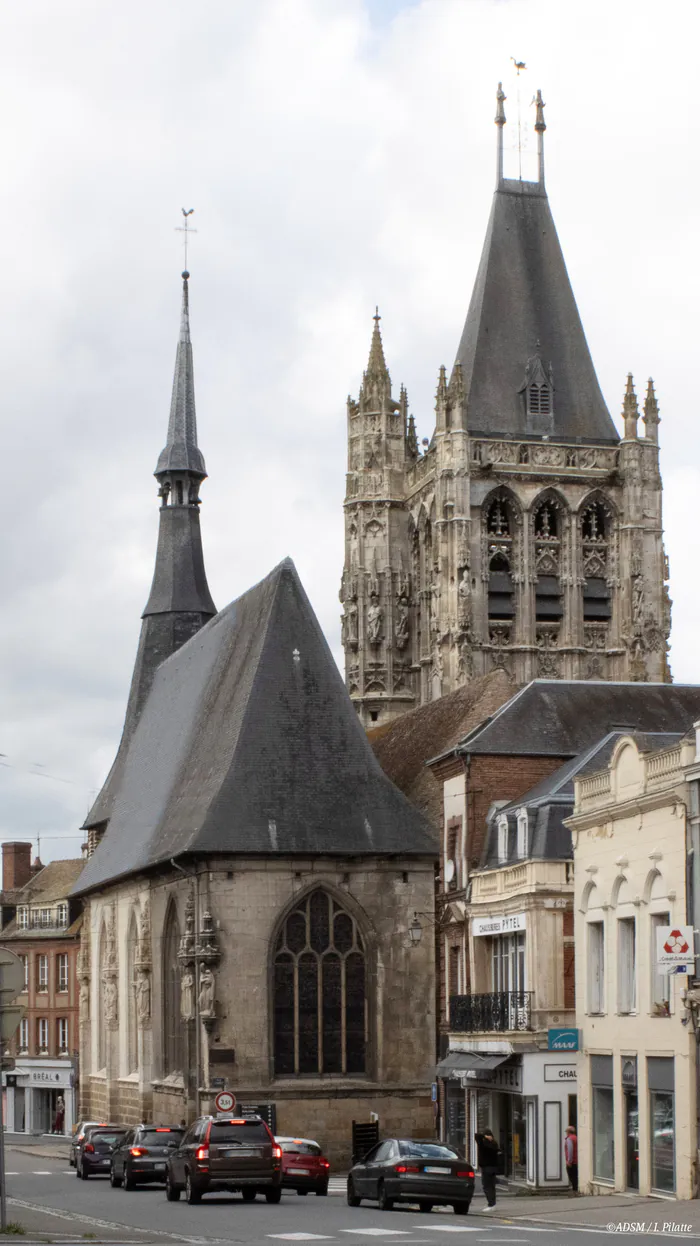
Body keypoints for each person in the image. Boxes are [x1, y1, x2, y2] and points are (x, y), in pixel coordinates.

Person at [475, 1129, 501, 1209]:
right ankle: (493, 1203)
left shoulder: (483, 1144)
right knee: (492, 1186)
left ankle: (491, 1204)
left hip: (487, 1168)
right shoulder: (494, 1144)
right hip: (493, 1168)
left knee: (486, 1186)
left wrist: (484, 1137)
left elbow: (476, 1136)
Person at [564, 1126, 578, 1192]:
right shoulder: (576, 1138)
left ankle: (574, 1190)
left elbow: (570, 1150)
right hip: (576, 1161)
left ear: (568, 1132)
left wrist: (569, 1161)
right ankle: (575, 1189)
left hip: (572, 1162)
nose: (566, 1133)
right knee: (575, 1176)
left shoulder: (569, 1139)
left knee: (572, 1176)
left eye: (566, 1131)